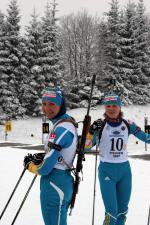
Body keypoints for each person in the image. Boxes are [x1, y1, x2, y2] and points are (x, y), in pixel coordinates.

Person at [85, 93, 150, 225]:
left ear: (120, 107)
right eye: (108, 106)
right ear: (105, 108)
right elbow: (85, 148)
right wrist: (91, 131)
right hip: (106, 171)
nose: (111, 108)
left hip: (124, 171)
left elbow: (146, 138)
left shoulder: (127, 124)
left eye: (115, 105)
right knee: (111, 212)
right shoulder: (100, 126)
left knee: (122, 211)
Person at [24, 87, 78, 225]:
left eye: (52, 104)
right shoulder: (65, 122)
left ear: (61, 105)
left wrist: (30, 166)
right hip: (62, 182)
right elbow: (58, 153)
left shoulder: (61, 129)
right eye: (44, 103)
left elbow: (45, 169)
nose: (47, 108)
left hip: (54, 185)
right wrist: (43, 156)